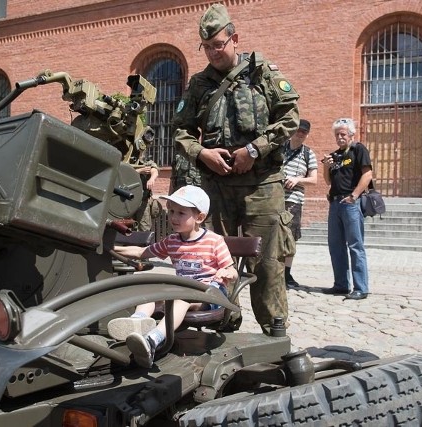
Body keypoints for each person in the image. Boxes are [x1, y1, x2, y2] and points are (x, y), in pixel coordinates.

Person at [171, 3, 299, 335]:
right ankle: (221, 325)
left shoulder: (263, 74)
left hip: (263, 185)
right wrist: (203, 154)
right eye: (207, 47)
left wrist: (255, 149)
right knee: (213, 261)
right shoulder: (199, 84)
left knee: (267, 263)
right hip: (218, 187)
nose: (213, 52)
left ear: (234, 38)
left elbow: (290, 119)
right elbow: (181, 131)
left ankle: (275, 332)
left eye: (219, 44)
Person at [108, 185, 237, 367]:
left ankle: (153, 340)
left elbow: (232, 271)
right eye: (171, 211)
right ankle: (136, 324)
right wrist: (111, 248)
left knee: (181, 300)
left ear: (199, 217)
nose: (173, 218)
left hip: (210, 293)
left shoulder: (214, 241)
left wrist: (226, 272)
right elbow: (141, 252)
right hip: (183, 290)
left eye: (181, 213)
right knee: (149, 292)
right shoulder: (172, 241)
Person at [321, 118, 372, 300]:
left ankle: (361, 287)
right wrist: (326, 167)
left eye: (343, 134)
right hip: (334, 203)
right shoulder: (335, 155)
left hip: (350, 203)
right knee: (335, 246)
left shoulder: (359, 149)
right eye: (337, 135)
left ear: (352, 134)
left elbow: (367, 174)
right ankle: (341, 284)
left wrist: (354, 196)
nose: (340, 138)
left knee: (355, 245)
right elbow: (328, 181)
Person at [283, 119, 317, 289]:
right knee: (272, 236)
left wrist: (297, 179)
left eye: (304, 132)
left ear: (307, 135)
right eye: (298, 130)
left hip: (294, 201)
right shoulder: (280, 147)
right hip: (274, 199)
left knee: (291, 237)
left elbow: (314, 179)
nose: (300, 134)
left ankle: (286, 273)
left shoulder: (308, 153)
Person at [131, 159, 159, 232]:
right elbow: (121, 173)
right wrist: (139, 171)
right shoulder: (124, 162)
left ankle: (143, 243)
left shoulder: (146, 162)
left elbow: (154, 170)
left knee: (144, 228)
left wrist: (152, 178)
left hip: (143, 201)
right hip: (127, 202)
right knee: (127, 227)